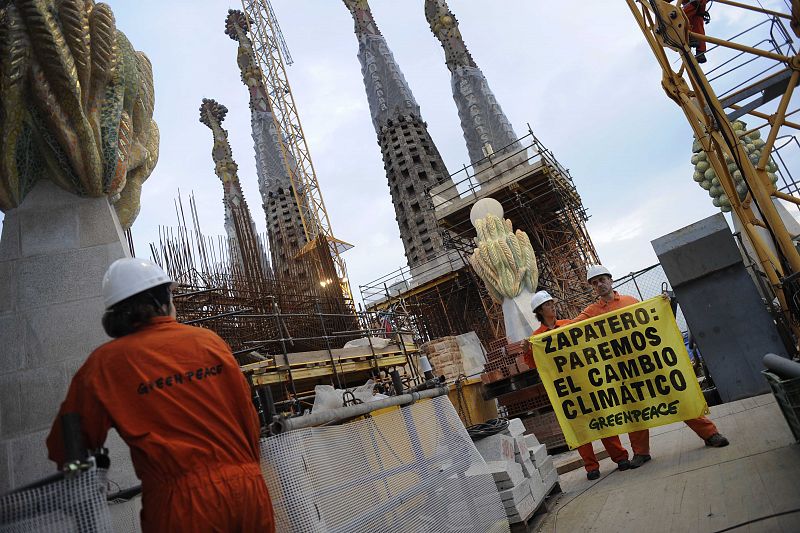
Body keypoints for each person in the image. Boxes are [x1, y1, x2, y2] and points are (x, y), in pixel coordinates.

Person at [46, 258, 275, 532]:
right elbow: (248, 416)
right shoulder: (209, 342)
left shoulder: (105, 364)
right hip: (248, 491)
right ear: (162, 299)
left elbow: (65, 444)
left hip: (181, 508)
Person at [575, 265, 730, 469]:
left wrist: (662, 304)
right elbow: (569, 329)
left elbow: (650, 321)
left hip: (648, 363)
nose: (599, 285)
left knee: (677, 397)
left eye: (602, 279)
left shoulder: (631, 302)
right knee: (635, 411)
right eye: (594, 283)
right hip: (624, 371)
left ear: (610, 280)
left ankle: (710, 434)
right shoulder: (591, 312)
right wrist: (536, 341)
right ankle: (641, 453)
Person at [531, 290, 632, 481]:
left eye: (552, 303)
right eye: (548, 304)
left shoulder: (569, 325)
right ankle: (591, 467)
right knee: (579, 427)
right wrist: (528, 351)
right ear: (540, 310)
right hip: (567, 388)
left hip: (585, 381)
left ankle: (620, 457)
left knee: (604, 419)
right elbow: (534, 362)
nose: (553, 306)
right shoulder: (537, 338)